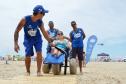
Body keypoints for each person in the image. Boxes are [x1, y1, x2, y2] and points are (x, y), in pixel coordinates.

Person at [14, 5, 51, 76]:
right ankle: (28, 71)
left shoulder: (40, 21)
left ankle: (38, 72)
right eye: (43, 13)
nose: (44, 15)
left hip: (37, 38)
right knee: (28, 55)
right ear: (39, 13)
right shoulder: (25, 19)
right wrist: (15, 43)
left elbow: (44, 32)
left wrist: (50, 41)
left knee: (39, 52)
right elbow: (16, 31)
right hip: (28, 39)